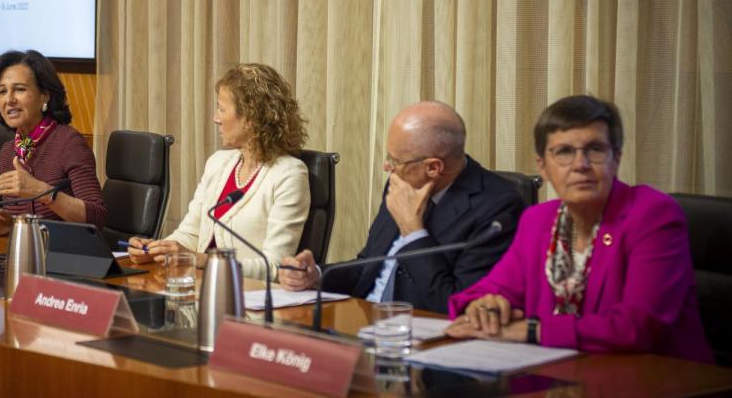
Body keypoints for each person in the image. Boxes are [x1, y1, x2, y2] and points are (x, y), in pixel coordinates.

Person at [445, 95, 713, 363]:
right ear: (543, 167)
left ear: (616, 158)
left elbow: (637, 327)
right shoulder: (537, 221)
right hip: (559, 375)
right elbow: (493, 289)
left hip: (658, 379)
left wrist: (530, 330)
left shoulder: (651, 214)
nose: (580, 165)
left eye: (595, 149)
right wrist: (482, 307)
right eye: (563, 152)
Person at [278, 101, 524, 313]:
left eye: (395, 161)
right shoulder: (402, 182)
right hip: (364, 320)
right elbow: (369, 265)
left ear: (433, 168)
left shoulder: (497, 208)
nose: (388, 168)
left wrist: (413, 231)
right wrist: (316, 276)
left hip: (425, 339)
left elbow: (455, 304)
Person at [126, 63, 310, 281]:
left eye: (222, 109)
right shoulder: (218, 163)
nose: (216, 118)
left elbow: (275, 266)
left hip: (247, 301)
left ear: (251, 118)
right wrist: (158, 250)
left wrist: (201, 260)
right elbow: (190, 233)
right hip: (199, 291)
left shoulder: (289, 174)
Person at [0, 50, 104, 235]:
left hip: (69, 257)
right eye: (2, 92)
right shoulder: (8, 152)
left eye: (20, 89)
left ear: (44, 96)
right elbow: (34, 225)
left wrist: (39, 190)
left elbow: (97, 217)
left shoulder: (69, 143)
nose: (9, 99)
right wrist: (11, 226)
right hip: (30, 256)